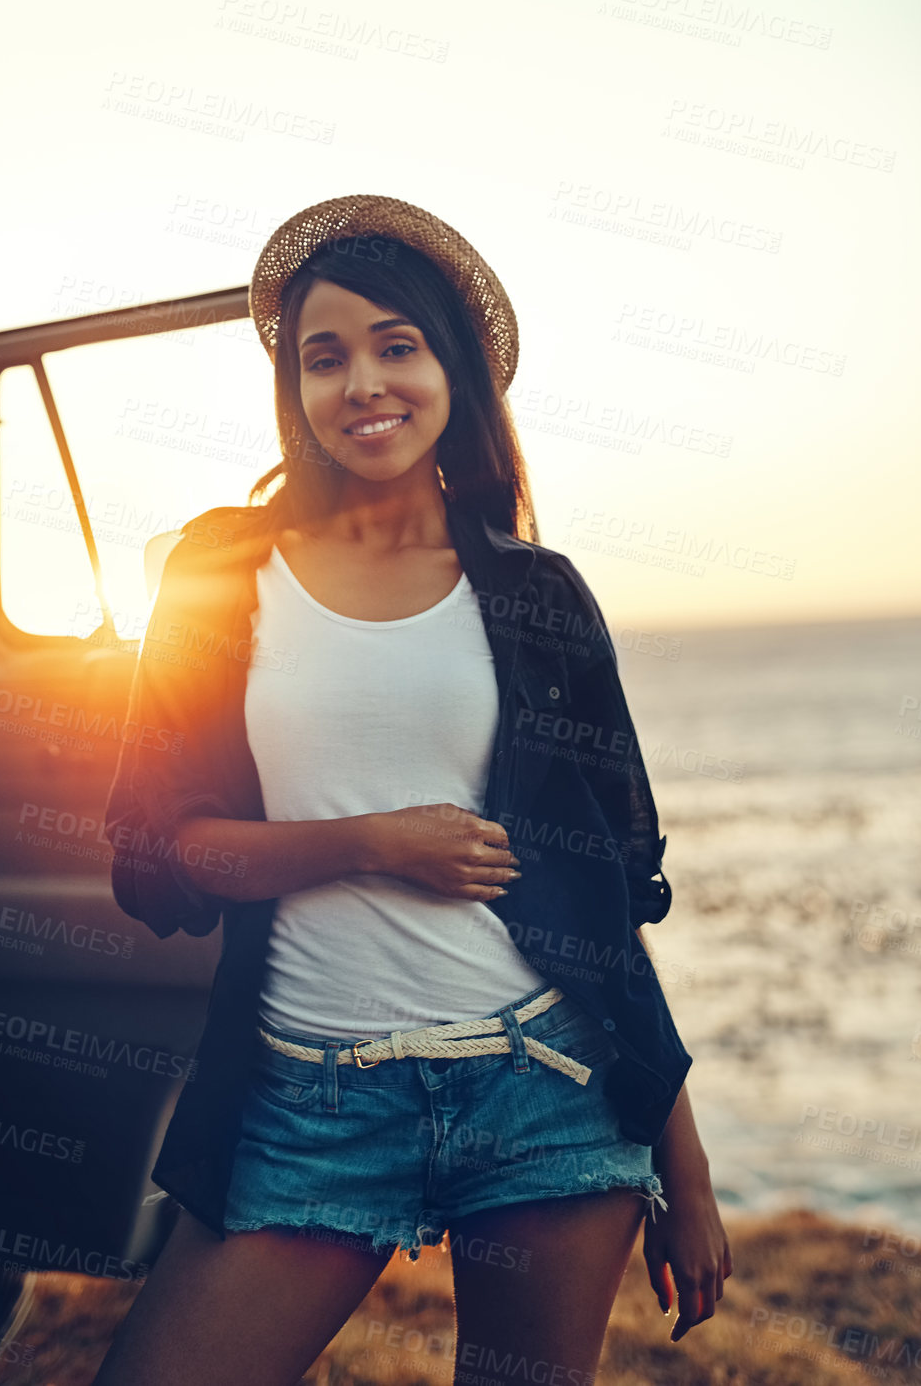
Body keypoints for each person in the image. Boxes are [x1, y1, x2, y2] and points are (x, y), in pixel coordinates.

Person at [93, 194, 732, 1386]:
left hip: (546, 1090)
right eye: (323, 356)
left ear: (455, 371)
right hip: (306, 1099)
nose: (362, 382)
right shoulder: (217, 572)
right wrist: (369, 842)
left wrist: (682, 1174)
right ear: (292, 388)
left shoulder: (541, 597)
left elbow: (605, 908)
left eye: (398, 344)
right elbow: (158, 856)